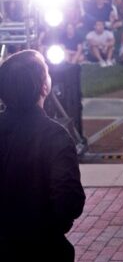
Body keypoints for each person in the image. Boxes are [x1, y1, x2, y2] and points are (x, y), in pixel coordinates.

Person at [0, 50, 86, 261]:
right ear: (44, 87)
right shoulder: (55, 136)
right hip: (42, 247)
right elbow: (69, 201)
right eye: (47, 71)